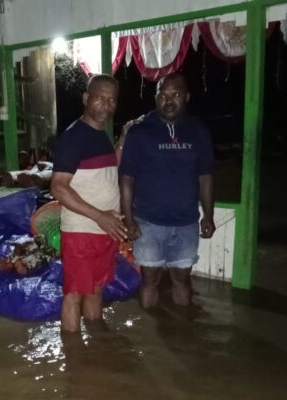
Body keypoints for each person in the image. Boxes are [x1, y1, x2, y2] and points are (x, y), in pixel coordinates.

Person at [118, 72, 215, 315]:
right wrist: (129, 219)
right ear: (156, 97)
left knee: (182, 279)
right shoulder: (140, 132)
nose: (168, 100)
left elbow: (205, 177)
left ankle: (182, 334)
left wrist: (209, 215)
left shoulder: (199, 132)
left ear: (187, 97)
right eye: (163, 94)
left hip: (186, 223)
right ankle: (148, 343)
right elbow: (126, 178)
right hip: (148, 223)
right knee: (149, 280)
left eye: (176, 94)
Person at [50, 74, 127, 333]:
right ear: (86, 99)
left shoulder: (100, 134)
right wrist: (99, 216)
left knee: (96, 288)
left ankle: (96, 350)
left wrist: (122, 142)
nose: (106, 105)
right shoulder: (74, 137)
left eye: (112, 100)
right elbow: (58, 187)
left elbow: (106, 169)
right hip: (82, 231)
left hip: (105, 230)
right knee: (74, 293)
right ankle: (73, 360)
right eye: (100, 98)